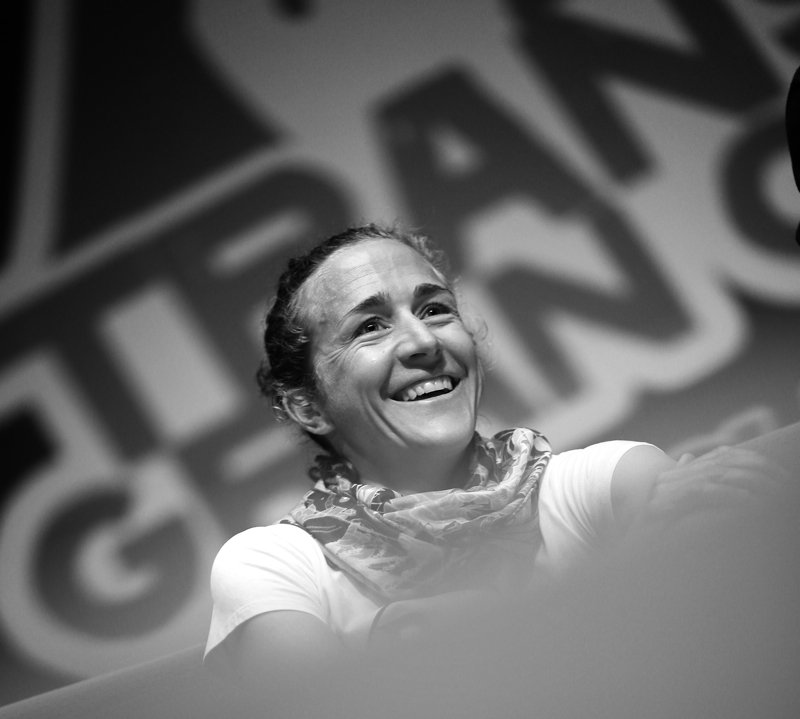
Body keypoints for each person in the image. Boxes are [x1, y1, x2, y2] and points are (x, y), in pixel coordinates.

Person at [204, 223, 776, 682]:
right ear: (308, 407)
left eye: (435, 309)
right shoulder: (273, 565)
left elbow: (720, 634)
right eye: (371, 326)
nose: (423, 341)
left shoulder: (599, 478)